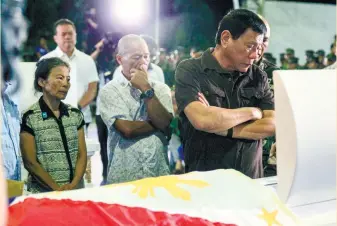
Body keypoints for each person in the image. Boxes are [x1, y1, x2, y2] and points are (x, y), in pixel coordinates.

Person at [175, 9, 275, 179]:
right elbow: (202, 119)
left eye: (259, 48)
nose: (254, 55)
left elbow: (272, 124)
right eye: (250, 46)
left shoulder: (258, 76)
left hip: (250, 181)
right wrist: (252, 112)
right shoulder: (191, 70)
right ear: (226, 38)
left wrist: (224, 129)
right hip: (206, 183)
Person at [99, 34, 173, 184]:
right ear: (120, 59)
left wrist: (146, 88)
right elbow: (127, 130)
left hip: (158, 173)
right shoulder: (109, 91)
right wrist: (158, 125)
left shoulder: (161, 88)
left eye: (146, 56)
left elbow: (165, 122)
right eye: (136, 57)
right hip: (124, 176)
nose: (143, 62)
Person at [20, 57, 87, 193]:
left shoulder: (74, 114)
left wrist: (73, 185)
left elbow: (82, 154)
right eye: (59, 78)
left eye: (68, 79)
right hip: (45, 195)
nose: (65, 84)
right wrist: (57, 190)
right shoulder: (30, 117)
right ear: (42, 82)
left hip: (75, 192)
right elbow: (30, 162)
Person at [40, 19, 99, 129]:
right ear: (55, 38)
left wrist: (77, 108)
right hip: (51, 119)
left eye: (70, 33)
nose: (67, 37)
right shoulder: (45, 60)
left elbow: (92, 89)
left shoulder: (87, 60)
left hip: (81, 118)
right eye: (63, 34)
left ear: (75, 36)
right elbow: (40, 90)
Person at [254, 15, 279, 87]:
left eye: (264, 40)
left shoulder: (274, 74)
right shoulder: (225, 70)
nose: (259, 46)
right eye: (255, 40)